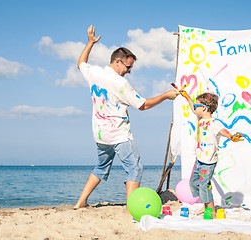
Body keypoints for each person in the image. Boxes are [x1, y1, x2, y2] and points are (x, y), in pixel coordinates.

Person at [74, 25, 179, 211]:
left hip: (100, 135)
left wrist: (90, 43)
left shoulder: (95, 73)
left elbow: (81, 62)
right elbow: (143, 105)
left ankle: (80, 202)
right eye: (128, 67)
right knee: (135, 169)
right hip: (119, 135)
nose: (129, 71)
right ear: (117, 62)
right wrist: (165, 96)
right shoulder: (121, 83)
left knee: (101, 167)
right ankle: (132, 208)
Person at [180, 91, 243, 218]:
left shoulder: (213, 123)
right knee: (193, 183)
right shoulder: (200, 119)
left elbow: (223, 131)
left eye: (196, 106)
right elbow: (193, 108)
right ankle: (205, 203)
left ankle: (211, 209)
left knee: (204, 185)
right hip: (199, 159)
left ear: (204, 108)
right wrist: (187, 96)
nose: (194, 108)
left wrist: (231, 137)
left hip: (209, 161)